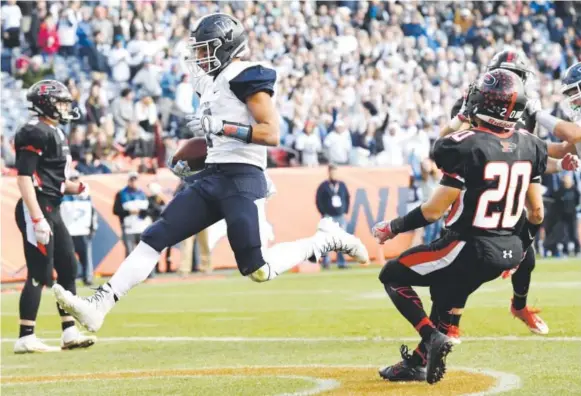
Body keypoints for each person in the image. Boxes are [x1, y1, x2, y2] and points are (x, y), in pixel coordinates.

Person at [53, 13, 368, 333]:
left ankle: (324, 240)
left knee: (257, 268)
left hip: (244, 178)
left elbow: (271, 133)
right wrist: (189, 151)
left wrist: (222, 127)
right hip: (215, 175)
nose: (200, 57)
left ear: (225, 47)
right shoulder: (213, 83)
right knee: (155, 235)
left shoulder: (247, 75)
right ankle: (100, 304)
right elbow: (213, 139)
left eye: (205, 50)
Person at [373, 69, 547, 384]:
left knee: (392, 275)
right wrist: (523, 250)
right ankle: (417, 362)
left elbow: (433, 210)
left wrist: (393, 227)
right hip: (509, 247)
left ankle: (431, 336)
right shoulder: (532, 145)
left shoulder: (466, 144)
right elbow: (536, 212)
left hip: (469, 244)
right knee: (445, 293)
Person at [438, 51, 580, 340]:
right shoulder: (474, 99)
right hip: (479, 178)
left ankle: (518, 304)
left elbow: (537, 149)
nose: (511, 80)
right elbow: (450, 143)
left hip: (515, 172)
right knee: (471, 252)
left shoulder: (524, 107)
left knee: (534, 222)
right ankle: (450, 318)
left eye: (516, 75)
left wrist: (559, 162)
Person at [13, 80, 95, 353]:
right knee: (39, 272)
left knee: (69, 268)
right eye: (60, 102)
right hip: (36, 206)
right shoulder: (34, 131)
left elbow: (54, 180)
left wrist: (77, 187)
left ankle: (69, 331)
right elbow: (24, 178)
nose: (64, 107)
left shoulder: (55, 132)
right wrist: (36, 218)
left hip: (53, 206)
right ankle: (26, 335)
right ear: (46, 103)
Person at [61, 171, 98, 286]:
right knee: (66, 257)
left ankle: (88, 277)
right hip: (68, 231)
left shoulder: (86, 195)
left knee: (86, 257)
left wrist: (93, 227)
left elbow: (92, 212)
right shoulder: (62, 196)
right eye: (72, 179)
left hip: (83, 230)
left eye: (76, 179)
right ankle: (67, 278)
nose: (75, 181)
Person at [316, 165, 351, 269]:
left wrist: (345, 211)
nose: (334, 174)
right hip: (328, 216)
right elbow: (318, 200)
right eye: (332, 172)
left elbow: (347, 198)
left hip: (340, 215)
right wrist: (323, 213)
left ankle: (341, 262)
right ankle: (326, 261)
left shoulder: (342, 185)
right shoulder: (323, 186)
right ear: (329, 173)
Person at [113, 172, 151, 258]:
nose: (134, 182)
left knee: (145, 253)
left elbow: (151, 210)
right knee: (130, 253)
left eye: (135, 180)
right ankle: (130, 272)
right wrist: (129, 212)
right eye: (132, 180)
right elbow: (116, 210)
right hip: (128, 227)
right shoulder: (121, 193)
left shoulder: (143, 193)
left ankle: (147, 272)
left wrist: (141, 212)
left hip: (143, 227)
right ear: (128, 181)